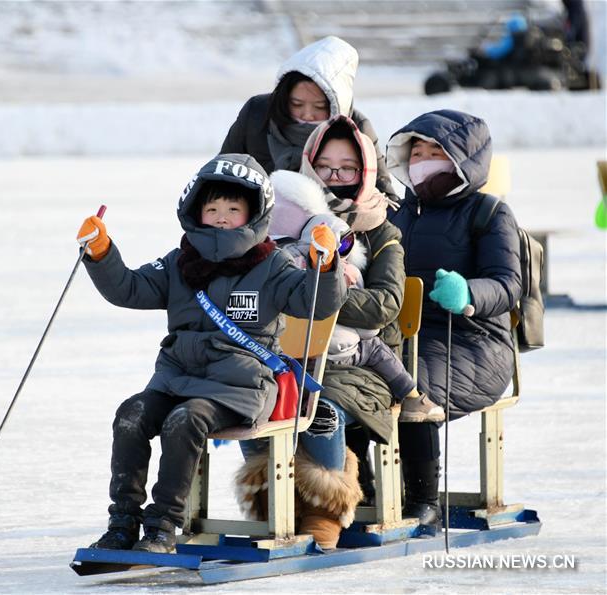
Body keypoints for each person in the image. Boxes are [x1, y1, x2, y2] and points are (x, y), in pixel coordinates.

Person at [77, 153, 346, 554]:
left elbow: (317, 304)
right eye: (213, 208)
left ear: (254, 214)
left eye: (233, 209)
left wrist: (324, 268)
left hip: (242, 386)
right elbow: (128, 289)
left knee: (185, 420)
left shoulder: (274, 263)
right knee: (130, 416)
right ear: (195, 211)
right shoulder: (178, 263)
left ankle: (164, 527)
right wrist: (101, 253)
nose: (221, 216)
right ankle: (123, 521)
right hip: (177, 378)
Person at [235, 116, 415, 549]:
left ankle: (324, 510)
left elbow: (383, 305)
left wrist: (313, 296)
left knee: (321, 405)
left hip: (357, 360)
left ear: (365, 173)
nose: (336, 177)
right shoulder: (281, 219)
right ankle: (269, 502)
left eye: (347, 168)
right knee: (248, 396)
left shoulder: (381, 231)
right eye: (326, 166)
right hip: (282, 353)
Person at [387, 109, 522, 533]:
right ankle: (369, 494)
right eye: (417, 151)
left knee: (412, 387)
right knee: (355, 382)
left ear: (464, 158)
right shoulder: (398, 212)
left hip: (475, 341)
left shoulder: (489, 213)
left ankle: (423, 501)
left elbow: (508, 285)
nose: (423, 160)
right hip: (403, 336)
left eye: (436, 152)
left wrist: (468, 295)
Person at [219, 36, 397, 202]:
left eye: (319, 107)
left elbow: (384, 196)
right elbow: (222, 172)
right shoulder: (257, 113)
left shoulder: (355, 128)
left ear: (336, 105)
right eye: (296, 104)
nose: (307, 114)